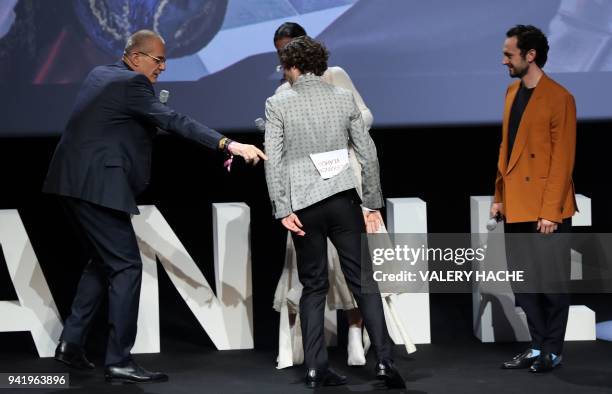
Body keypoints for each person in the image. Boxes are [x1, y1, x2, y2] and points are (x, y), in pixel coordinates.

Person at [42, 29, 266, 383]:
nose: (162, 67)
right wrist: (228, 145)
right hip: (96, 185)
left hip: (72, 183)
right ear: (134, 57)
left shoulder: (100, 74)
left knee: (103, 263)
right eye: (157, 60)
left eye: (165, 60)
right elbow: (176, 121)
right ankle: (118, 359)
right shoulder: (132, 85)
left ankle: (71, 343)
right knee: (127, 267)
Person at [264, 36, 405, 389]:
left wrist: (282, 208)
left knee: (313, 287)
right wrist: (372, 202)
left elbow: (274, 163)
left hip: (304, 208)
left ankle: (315, 368)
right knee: (364, 283)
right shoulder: (343, 99)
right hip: (343, 202)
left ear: (292, 67)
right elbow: (368, 154)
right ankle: (385, 363)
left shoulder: (277, 103)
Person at [492, 25, 577, 373]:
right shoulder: (512, 92)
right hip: (516, 203)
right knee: (523, 283)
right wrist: (498, 196)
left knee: (552, 284)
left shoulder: (560, 97)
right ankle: (537, 345)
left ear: (531, 56)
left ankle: (553, 350)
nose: (503, 61)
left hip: (545, 208)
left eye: (509, 54)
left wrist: (550, 212)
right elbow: (506, 149)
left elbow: (563, 160)